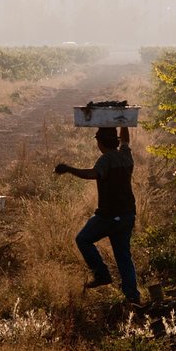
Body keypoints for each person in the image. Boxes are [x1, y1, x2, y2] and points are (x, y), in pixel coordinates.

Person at [54, 126, 140, 305]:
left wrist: (68, 169)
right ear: (115, 141)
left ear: (100, 143)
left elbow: (91, 174)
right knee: (123, 255)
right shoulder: (126, 154)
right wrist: (124, 122)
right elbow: (126, 140)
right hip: (127, 214)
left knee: (83, 239)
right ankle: (132, 296)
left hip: (110, 216)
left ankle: (101, 274)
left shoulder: (106, 159)